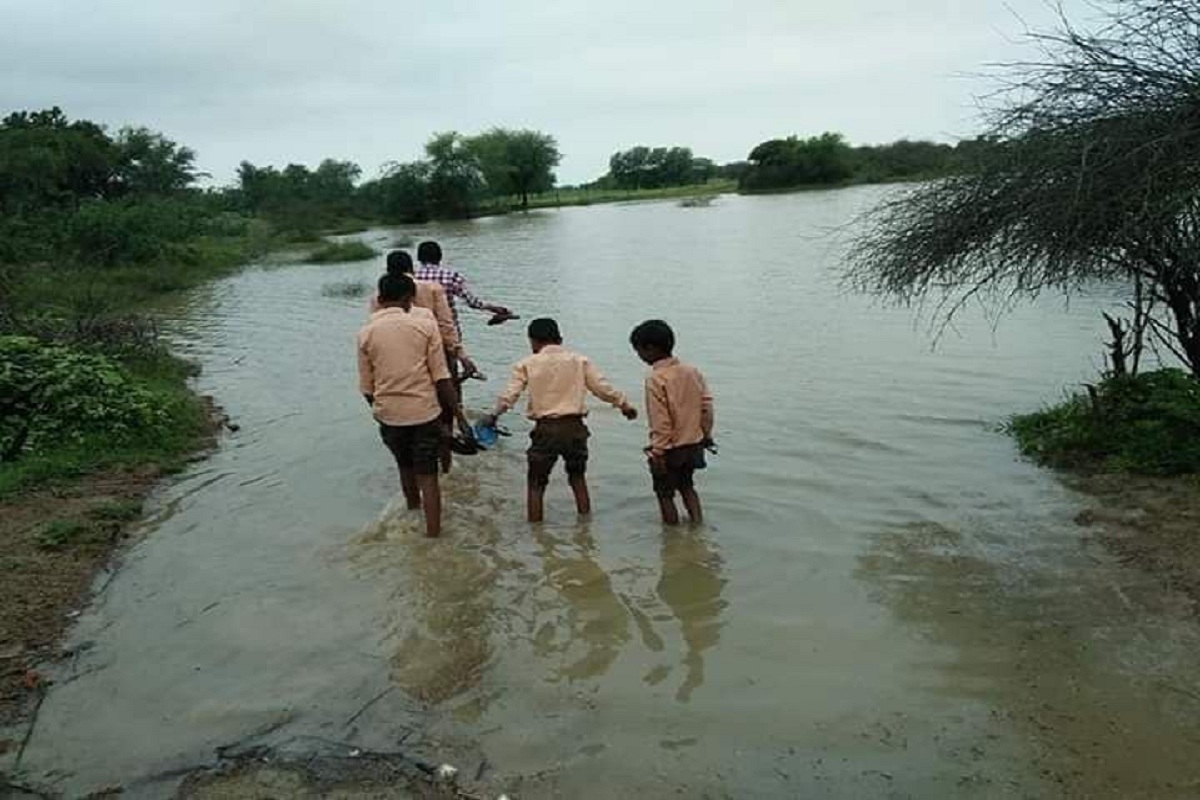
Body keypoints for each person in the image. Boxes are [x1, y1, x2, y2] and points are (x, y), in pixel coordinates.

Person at [480, 318, 638, 523]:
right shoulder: (579, 361)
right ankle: (585, 525)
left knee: (536, 484)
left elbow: (510, 395)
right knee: (577, 478)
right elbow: (602, 388)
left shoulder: (526, 364)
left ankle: (535, 530)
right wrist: (625, 405)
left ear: (533, 342)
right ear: (560, 339)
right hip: (575, 428)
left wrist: (493, 415)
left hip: (546, 430)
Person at [358, 272, 458, 537]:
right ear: (410, 299)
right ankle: (434, 536)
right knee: (429, 476)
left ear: (379, 299)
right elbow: (441, 377)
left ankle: (413, 515)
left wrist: (383, 410)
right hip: (424, 412)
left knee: (405, 467)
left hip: (389, 415)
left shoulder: (365, 334)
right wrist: (459, 417)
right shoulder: (426, 327)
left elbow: (367, 388)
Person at [629, 320, 714, 525]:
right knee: (687, 486)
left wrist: (658, 451)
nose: (639, 356)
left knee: (664, 493)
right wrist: (706, 435)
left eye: (638, 350)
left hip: (670, 449)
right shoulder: (692, 372)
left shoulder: (656, 379)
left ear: (650, 348)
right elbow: (706, 408)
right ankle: (697, 525)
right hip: (694, 444)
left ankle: (672, 537)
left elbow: (661, 421)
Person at [414, 240, 512, 333]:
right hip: (448, 328)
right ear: (440, 257)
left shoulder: (412, 277)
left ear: (418, 258)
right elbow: (472, 302)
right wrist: (493, 308)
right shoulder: (451, 276)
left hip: (420, 328)